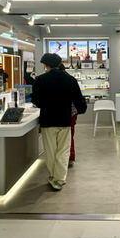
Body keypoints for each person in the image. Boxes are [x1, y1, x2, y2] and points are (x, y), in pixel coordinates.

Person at [32, 53, 87, 190]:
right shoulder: (70, 79)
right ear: (59, 63)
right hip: (65, 119)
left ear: (46, 65)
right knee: (63, 150)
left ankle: (54, 177)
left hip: (48, 120)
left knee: (50, 150)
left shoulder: (40, 80)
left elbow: (36, 101)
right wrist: (81, 109)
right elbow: (78, 99)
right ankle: (59, 178)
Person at [58, 63, 79, 167]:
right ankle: (70, 157)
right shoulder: (70, 79)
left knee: (63, 136)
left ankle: (65, 158)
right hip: (72, 112)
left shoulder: (63, 80)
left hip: (65, 112)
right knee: (69, 135)